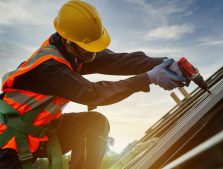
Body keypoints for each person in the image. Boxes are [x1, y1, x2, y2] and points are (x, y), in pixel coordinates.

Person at [0, 0, 186, 169]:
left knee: (94, 124)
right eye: (88, 51)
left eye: (94, 50)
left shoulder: (74, 50)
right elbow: (92, 93)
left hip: (38, 132)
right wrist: (149, 78)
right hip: (6, 148)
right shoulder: (50, 68)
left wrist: (164, 63)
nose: (92, 56)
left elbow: (115, 60)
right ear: (68, 41)